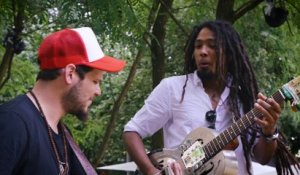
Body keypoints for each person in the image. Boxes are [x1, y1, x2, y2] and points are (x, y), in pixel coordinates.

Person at [123, 20, 299, 175]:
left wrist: (269, 132)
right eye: (198, 46)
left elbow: (262, 157)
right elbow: (132, 131)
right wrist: (151, 171)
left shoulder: (244, 98)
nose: (203, 52)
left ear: (229, 53)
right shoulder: (172, 88)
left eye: (212, 46)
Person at [0, 27, 125, 175]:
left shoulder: (63, 134)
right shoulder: (12, 122)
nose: (98, 92)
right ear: (70, 74)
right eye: (95, 81)